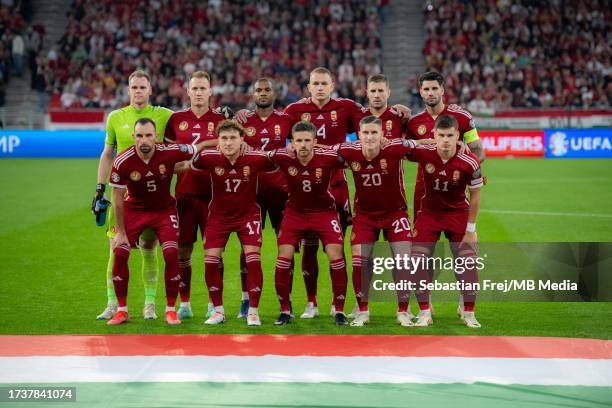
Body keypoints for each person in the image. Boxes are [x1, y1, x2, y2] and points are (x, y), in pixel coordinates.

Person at [106, 118, 208, 325]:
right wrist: (120, 232)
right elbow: (117, 198)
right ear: (134, 137)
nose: (144, 140)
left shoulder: (170, 151)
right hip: (134, 210)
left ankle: (170, 310)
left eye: (149, 135)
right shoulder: (122, 160)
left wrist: (230, 138)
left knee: (171, 253)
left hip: (164, 210)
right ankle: (122, 310)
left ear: (156, 137)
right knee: (120, 251)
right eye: (140, 135)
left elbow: (200, 146)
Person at [337, 116, 434, 326]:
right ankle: (362, 311)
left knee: (404, 261)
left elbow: (422, 143)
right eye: (366, 133)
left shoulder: (395, 147)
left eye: (374, 133)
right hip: (365, 216)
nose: (370, 137)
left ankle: (403, 311)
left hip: (395, 214)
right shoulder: (348, 151)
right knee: (359, 261)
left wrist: (459, 146)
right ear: (359, 135)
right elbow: (322, 152)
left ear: (382, 135)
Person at [93, 70, 173, 321]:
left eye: (142, 87)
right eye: (134, 87)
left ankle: (149, 304)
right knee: (116, 247)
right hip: (121, 196)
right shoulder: (116, 117)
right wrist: (99, 188)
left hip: (152, 196)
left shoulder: (164, 115)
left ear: (150, 90)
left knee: (150, 248)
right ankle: (112, 304)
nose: (138, 91)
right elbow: (107, 154)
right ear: (128, 90)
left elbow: (191, 123)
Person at [190, 120, 274, 326]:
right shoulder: (208, 157)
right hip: (219, 217)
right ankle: (218, 311)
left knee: (253, 259)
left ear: (241, 140)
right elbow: (193, 160)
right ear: (218, 141)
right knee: (210, 261)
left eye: (233, 138)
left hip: (248, 216)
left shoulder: (256, 158)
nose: (228, 143)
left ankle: (253, 312)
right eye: (224, 138)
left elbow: (277, 160)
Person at [268, 121, 349, 326]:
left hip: (324, 213)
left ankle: (339, 310)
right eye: (298, 141)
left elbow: (355, 157)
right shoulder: (283, 157)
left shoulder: (329, 158)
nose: (302, 145)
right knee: (283, 258)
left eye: (307, 141)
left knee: (335, 255)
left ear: (315, 142)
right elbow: (258, 157)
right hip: (295, 214)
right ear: (292, 143)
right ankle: (285, 311)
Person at [406, 115, 483, 328]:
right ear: (434, 136)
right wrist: (418, 142)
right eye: (441, 135)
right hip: (429, 213)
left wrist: (471, 229)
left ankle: (468, 312)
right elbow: (399, 147)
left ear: (458, 136)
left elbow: (475, 196)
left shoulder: (470, 162)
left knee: (467, 261)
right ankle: (424, 312)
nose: (446, 140)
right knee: (418, 260)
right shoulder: (424, 152)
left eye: (450, 135)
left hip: (458, 213)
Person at [164, 71, 228, 320]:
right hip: (184, 195)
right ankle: (185, 303)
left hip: (215, 197)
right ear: (187, 92)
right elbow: (169, 161)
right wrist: (192, 163)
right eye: (195, 88)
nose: (199, 93)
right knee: (183, 252)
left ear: (211, 91)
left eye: (203, 88)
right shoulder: (176, 120)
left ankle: (215, 304)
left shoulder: (222, 120)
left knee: (214, 252)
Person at [238, 77, 296, 317]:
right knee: (248, 248)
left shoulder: (286, 121)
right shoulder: (243, 121)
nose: (263, 93)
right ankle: (245, 300)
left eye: (267, 90)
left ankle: (287, 300)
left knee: (287, 247)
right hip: (250, 193)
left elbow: (298, 148)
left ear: (275, 93)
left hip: (281, 193)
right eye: (258, 90)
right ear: (253, 94)